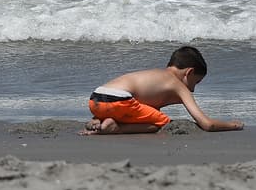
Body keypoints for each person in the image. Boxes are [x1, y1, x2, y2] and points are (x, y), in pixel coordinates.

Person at [81, 45, 243, 135]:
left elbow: (144, 108)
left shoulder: (156, 75)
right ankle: (116, 128)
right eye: (196, 82)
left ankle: (99, 120)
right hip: (120, 101)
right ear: (189, 72)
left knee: (147, 114)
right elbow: (207, 124)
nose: (193, 89)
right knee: (163, 123)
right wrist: (233, 125)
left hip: (96, 99)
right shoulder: (177, 84)